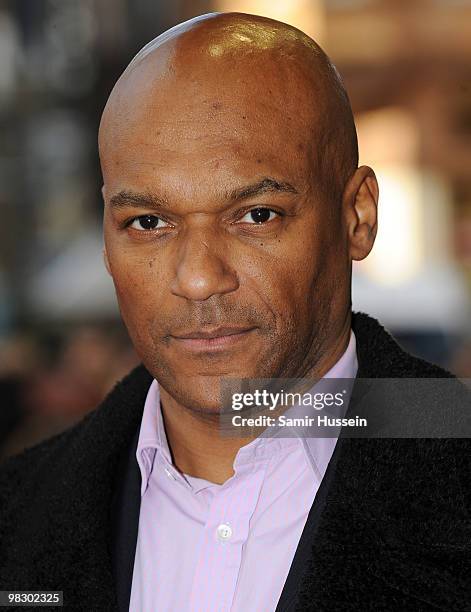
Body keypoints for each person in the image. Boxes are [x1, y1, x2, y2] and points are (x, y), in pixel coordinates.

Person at [0, 13, 469, 612]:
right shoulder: (20, 515)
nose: (198, 278)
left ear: (357, 217)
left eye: (256, 216)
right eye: (148, 223)